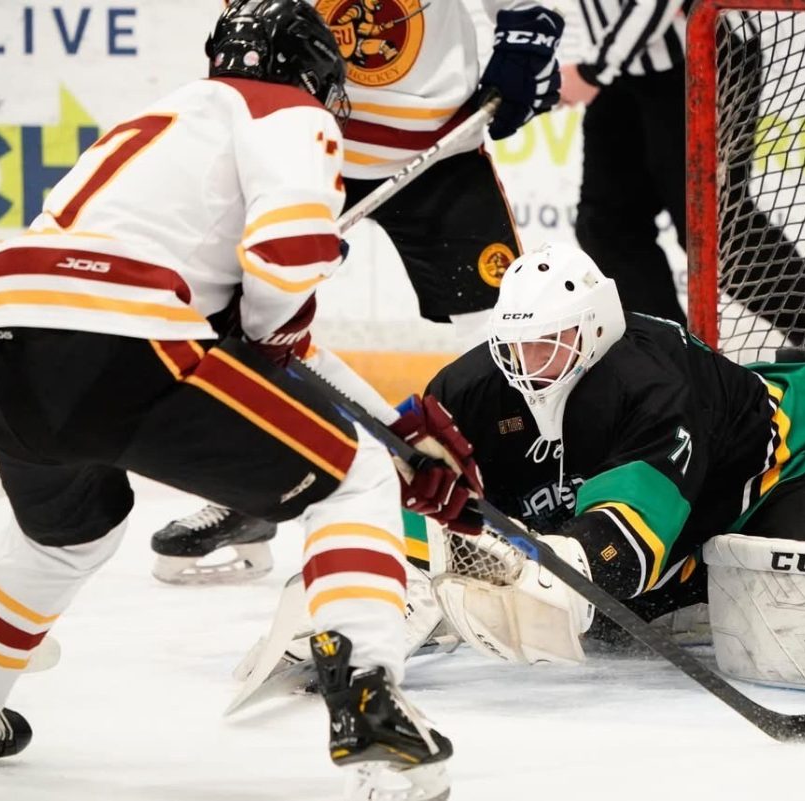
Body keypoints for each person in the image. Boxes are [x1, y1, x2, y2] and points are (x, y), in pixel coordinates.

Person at [0, 2, 477, 796]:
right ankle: (370, 703)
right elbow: (288, 253)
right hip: (116, 334)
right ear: (313, 70)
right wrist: (383, 444)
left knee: (68, 530)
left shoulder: (162, 120)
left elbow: (274, 338)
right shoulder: (288, 109)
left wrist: (397, 421)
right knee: (355, 477)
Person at [422, 242, 805, 702]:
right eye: (517, 344)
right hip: (690, 516)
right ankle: (706, 588)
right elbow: (417, 498)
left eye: (549, 343)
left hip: (786, 469)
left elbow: (629, 537)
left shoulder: (650, 380)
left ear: (596, 326)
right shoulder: (469, 390)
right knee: (609, 624)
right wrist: (389, 605)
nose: (529, 364)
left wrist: (566, 567)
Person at [148, 0, 567, 582]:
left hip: (443, 142)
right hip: (303, 137)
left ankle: (549, 483)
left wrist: (528, 28)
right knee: (244, 323)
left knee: (504, 328)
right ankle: (253, 489)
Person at [560, 5, 805, 397]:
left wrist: (592, 71)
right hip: (625, 71)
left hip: (699, 55)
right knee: (607, 225)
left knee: (717, 235)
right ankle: (677, 368)